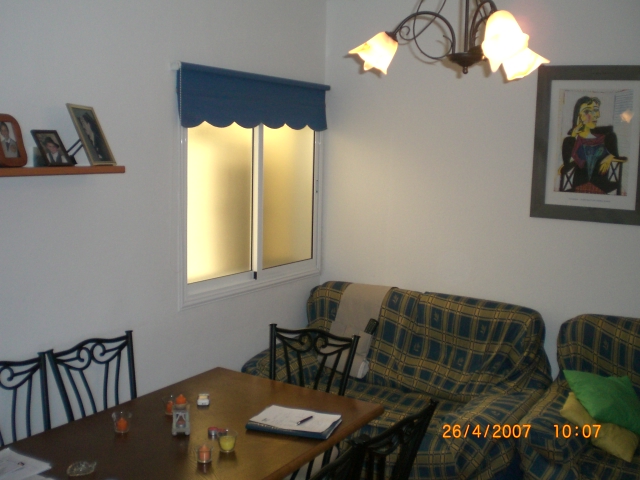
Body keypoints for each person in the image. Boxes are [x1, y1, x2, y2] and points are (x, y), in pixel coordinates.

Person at [560, 96, 624, 194]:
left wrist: (610, 157)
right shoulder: (572, 140)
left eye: (596, 110)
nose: (595, 115)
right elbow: (566, 165)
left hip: (600, 184)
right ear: (578, 116)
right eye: (587, 111)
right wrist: (573, 135)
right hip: (579, 185)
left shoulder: (607, 138)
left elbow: (617, 156)